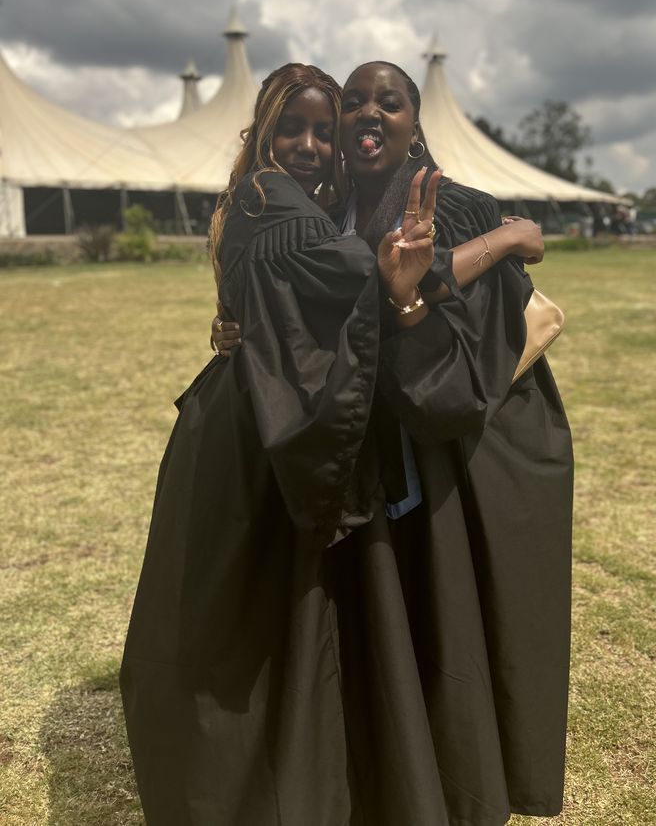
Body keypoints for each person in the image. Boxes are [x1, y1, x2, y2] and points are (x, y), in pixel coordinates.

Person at [120, 62, 542, 826]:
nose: (320, 137)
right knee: (291, 621)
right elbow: (355, 282)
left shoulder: (424, 204)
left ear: (417, 122)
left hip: (358, 443)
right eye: (307, 122)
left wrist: (489, 242)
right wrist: (503, 239)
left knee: (358, 620)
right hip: (290, 441)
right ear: (267, 132)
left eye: (384, 103)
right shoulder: (288, 204)